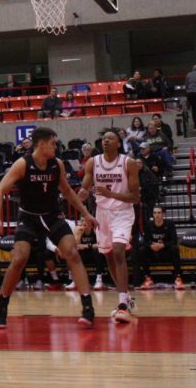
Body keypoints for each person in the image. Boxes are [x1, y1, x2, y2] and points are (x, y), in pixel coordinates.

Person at [0, 127, 98, 329]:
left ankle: (88, 307)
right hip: (29, 217)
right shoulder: (23, 164)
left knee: (71, 252)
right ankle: (2, 306)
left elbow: (67, 191)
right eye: (53, 143)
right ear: (41, 144)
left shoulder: (57, 165)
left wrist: (86, 213)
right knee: (20, 257)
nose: (56, 147)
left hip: (52, 215)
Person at [81, 129, 140, 323]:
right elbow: (83, 189)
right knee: (108, 256)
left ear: (118, 143)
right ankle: (126, 297)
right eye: (104, 138)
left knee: (118, 251)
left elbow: (136, 197)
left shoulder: (128, 163)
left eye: (110, 138)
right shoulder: (93, 162)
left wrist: (110, 194)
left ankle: (122, 305)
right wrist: (80, 197)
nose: (105, 141)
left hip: (122, 212)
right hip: (102, 214)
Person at [138, 206, 184, 290]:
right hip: (153, 253)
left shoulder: (170, 224)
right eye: (155, 213)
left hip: (166, 252)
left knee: (175, 249)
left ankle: (178, 278)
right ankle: (147, 278)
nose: (157, 215)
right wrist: (151, 246)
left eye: (159, 213)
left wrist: (163, 245)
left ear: (163, 214)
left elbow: (174, 240)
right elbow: (145, 241)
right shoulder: (148, 224)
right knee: (142, 250)